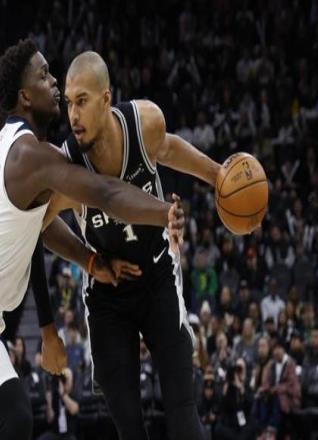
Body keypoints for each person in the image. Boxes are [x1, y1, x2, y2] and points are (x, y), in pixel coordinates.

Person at [0, 40, 184, 440]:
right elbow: (106, 193)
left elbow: (42, 230)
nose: (54, 82)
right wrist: (163, 212)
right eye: (45, 75)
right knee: (17, 415)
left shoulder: (16, 144)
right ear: (25, 96)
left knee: (6, 425)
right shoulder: (30, 156)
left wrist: (89, 263)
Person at [41, 51, 222, 440]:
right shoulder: (67, 166)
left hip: (158, 278)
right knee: (129, 429)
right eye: (68, 103)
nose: (73, 115)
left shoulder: (145, 123)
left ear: (106, 99)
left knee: (183, 417)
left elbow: (168, 148)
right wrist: (90, 262)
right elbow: (42, 225)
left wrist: (219, 175)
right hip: (109, 297)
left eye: (82, 101)